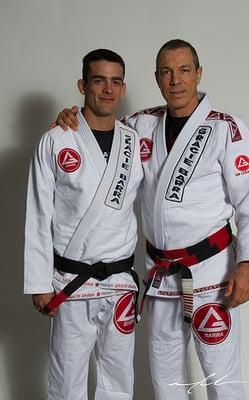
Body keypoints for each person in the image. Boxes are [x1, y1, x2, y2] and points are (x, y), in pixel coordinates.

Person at [55, 39, 249, 400]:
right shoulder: (141, 124)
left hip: (212, 272)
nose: (176, 80)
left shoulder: (225, 128)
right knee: (166, 379)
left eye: (184, 70)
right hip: (162, 277)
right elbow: (98, 132)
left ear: (198, 74)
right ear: (156, 78)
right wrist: (69, 119)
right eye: (166, 72)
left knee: (222, 376)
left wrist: (246, 265)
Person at [24, 49, 143, 400]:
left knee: (119, 382)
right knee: (66, 381)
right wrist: (38, 281)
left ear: (123, 89)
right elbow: (37, 214)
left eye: (116, 82)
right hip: (72, 283)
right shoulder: (56, 140)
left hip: (120, 282)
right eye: (99, 80)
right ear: (82, 85)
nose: (108, 89)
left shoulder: (137, 142)